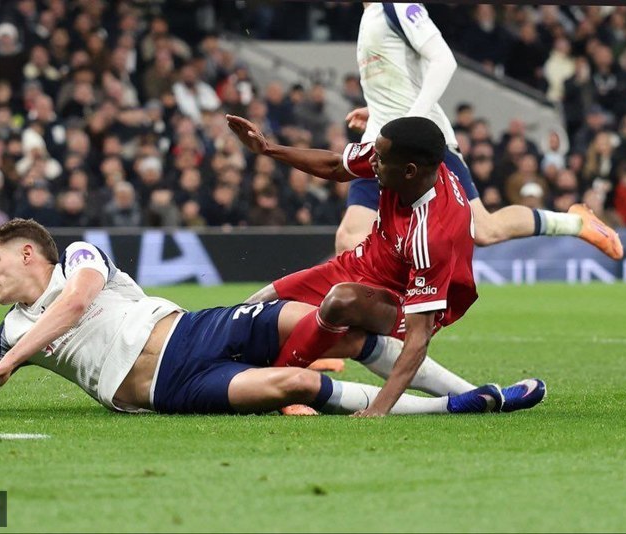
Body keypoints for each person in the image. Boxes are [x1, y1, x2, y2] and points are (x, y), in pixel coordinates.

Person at [0, 218, 536, 418]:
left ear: (27, 252)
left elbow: (77, 303)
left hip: (192, 329)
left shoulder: (79, 258)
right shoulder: (6, 334)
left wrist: (11, 362)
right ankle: (454, 409)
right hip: (169, 390)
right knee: (295, 384)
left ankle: (475, 391)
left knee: (325, 324)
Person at [226, 114, 545, 416]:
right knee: (255, 306)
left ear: (409, 171)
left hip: (404, 298)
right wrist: (268, 149)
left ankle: (277, 385)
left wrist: (379, 408)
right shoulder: (398, 159)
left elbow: (418, 339)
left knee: (342, 304)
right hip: (363, 264)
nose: (372, 161)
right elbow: (336, 165)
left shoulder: (433, 234)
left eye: (379, 159)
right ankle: (477, 396)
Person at [336, 3, 622, 261]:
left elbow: (443, 60)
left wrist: (410, 121)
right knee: (349, 237)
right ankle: (379, 304)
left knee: (483, 229)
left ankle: (576, 223)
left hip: (422, 141)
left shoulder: (398, 6)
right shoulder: (369, 16)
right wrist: (378, 108)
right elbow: (400, 78)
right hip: (380, 143)